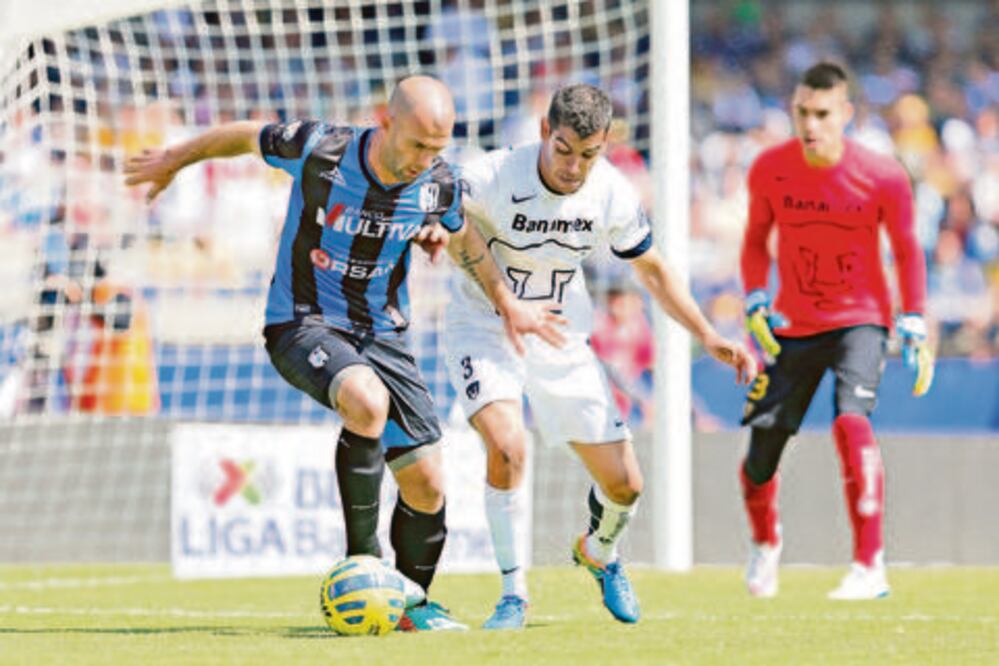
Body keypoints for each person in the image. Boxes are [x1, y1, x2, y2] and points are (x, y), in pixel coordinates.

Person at [125, 76, 565, 631]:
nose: (426, 160)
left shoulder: (438, 185)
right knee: (365, 400)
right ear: (387, 121)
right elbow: (244, 136)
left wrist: (507, 302)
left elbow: (464, 239)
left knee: (428, 483)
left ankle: (410, 606)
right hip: (302, 322)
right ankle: (366, 563)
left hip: (384, 334)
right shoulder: (321, 147)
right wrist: (175, 159)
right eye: (417, 146)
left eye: (438, 149)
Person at [444, 83, 756, 629]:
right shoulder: (493, 174)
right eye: (563, 150)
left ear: (605, 144)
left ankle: (599, 552)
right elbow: (450, 224)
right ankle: (513, 595)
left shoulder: (610, 191)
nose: (573, 167)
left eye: (588, 154)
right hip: (485, 327)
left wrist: (707, 333)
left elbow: (652, 269)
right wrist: (503, 299)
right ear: (545, 131)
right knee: (509, 446)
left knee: (625, 485)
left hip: (560, 336)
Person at [738, 62, 933, 601]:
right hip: (792, 325)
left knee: (852, 422)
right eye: (802, 112)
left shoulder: (883, 174)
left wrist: (914, 315)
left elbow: (908, 246)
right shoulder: (770, 169)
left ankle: (870, 565)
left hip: (861, 319)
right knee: (760, 457)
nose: (810, 124)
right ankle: (765, 544)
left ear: (844, 114)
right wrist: (755, 295)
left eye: (822, 113)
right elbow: (756, 239)